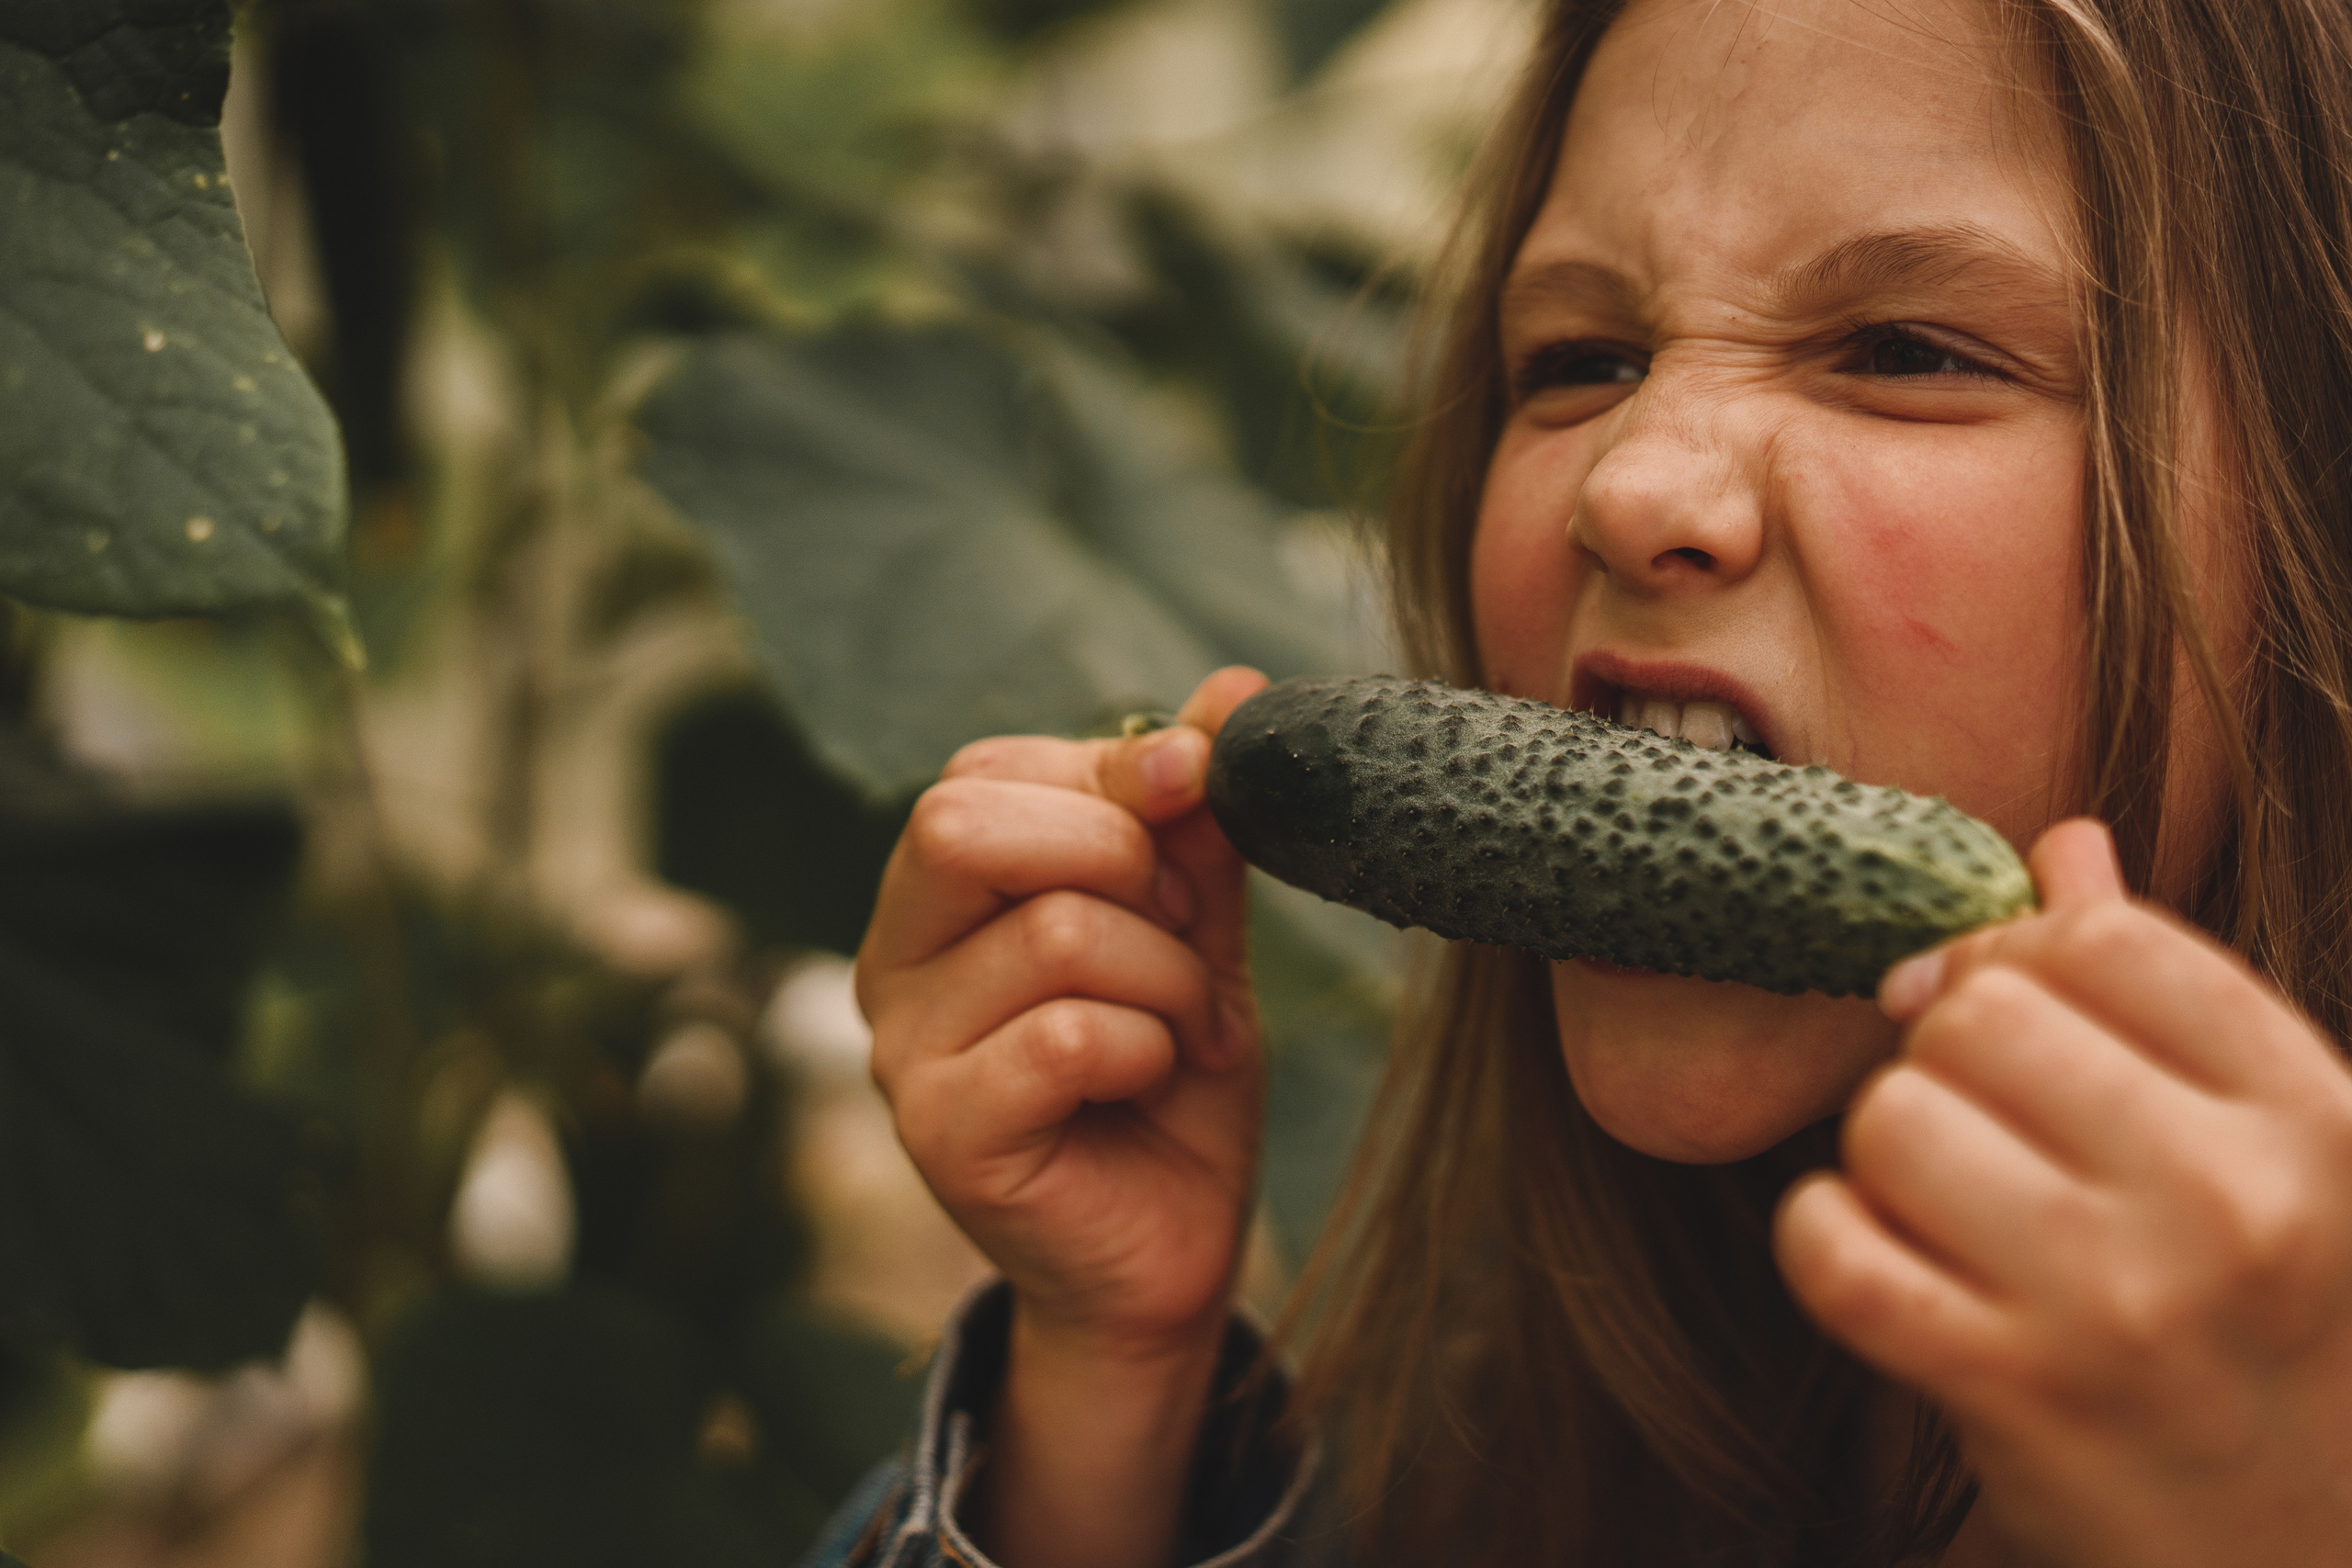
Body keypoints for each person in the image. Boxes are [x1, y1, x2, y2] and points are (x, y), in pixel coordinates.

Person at [814, 0, 2352, 1562]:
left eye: (1906, 351)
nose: (1628, 482)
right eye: (1580, 358)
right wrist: (1113, 1404)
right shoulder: (1478, 1419)